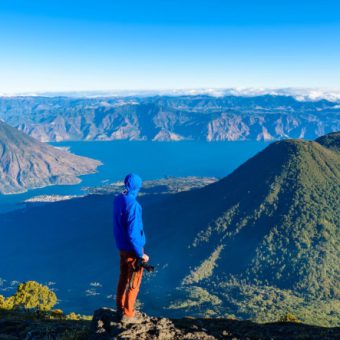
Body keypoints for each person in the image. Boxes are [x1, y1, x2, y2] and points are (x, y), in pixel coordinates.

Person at [113, 173, 149, 323]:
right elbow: (133, 234)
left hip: (121, 247)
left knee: (123, 277)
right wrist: (140, 255)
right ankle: (128, 314)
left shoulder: (118, 199)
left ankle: (119, 306)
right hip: (132, 250)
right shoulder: (133, 205)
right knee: (134, 282)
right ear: (137, 186)